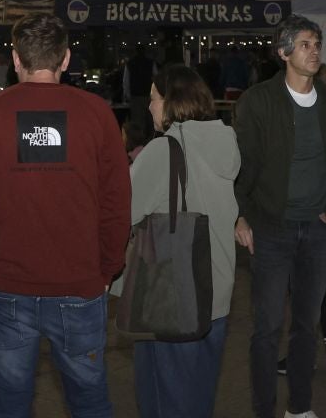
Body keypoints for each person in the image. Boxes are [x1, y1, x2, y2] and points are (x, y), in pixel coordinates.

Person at [0, 12, 129, 418]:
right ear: (65, 59)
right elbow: (117, 204)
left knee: (9, 400)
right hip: (79, 282)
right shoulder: (97, 114)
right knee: (89, 400)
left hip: (7, 284)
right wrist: (107, 268)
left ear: (15, 59)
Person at [233, 14, 326, 418]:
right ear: (283, 51)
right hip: (272, 228)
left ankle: (300, 408)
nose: (314, 50)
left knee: (306, 327)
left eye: (317, 43)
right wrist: (241, 216)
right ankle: (264, 409)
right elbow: (243, 165)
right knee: (267, 328)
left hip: (318, 231)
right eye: (305, 44)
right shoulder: (258, 101)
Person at [123, 63, 239, 418]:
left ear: (173, 103)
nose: (149, 107)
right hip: (215, 294)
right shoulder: (227, 141)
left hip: (171, 295)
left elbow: (121, 213)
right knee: (198, 396)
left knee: (164, 399)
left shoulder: (165, 150)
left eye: (155, 99)